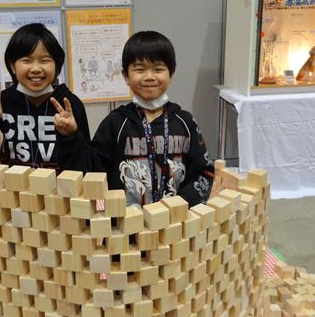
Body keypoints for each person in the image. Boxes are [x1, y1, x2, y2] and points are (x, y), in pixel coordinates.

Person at [53, 30, 214, 207]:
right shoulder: (115, 123)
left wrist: (182, 206)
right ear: (125, 75)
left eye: (158, 69)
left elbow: (204, 173)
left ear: (171, 73)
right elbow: (93, 172)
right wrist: (70, 137)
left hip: (174, 220)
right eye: (140, 69)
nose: (149, 77)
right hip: (125, 221)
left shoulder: (185, 123)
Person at [0, 23, 90, 170]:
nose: (36, 69)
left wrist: (72, 136)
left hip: (60, 184)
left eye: (45, 60)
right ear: (12, 66)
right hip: (12, 183)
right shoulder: (2, 102)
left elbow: (88, 163)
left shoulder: (70, 105)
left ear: (57, 65)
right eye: (27, 61)